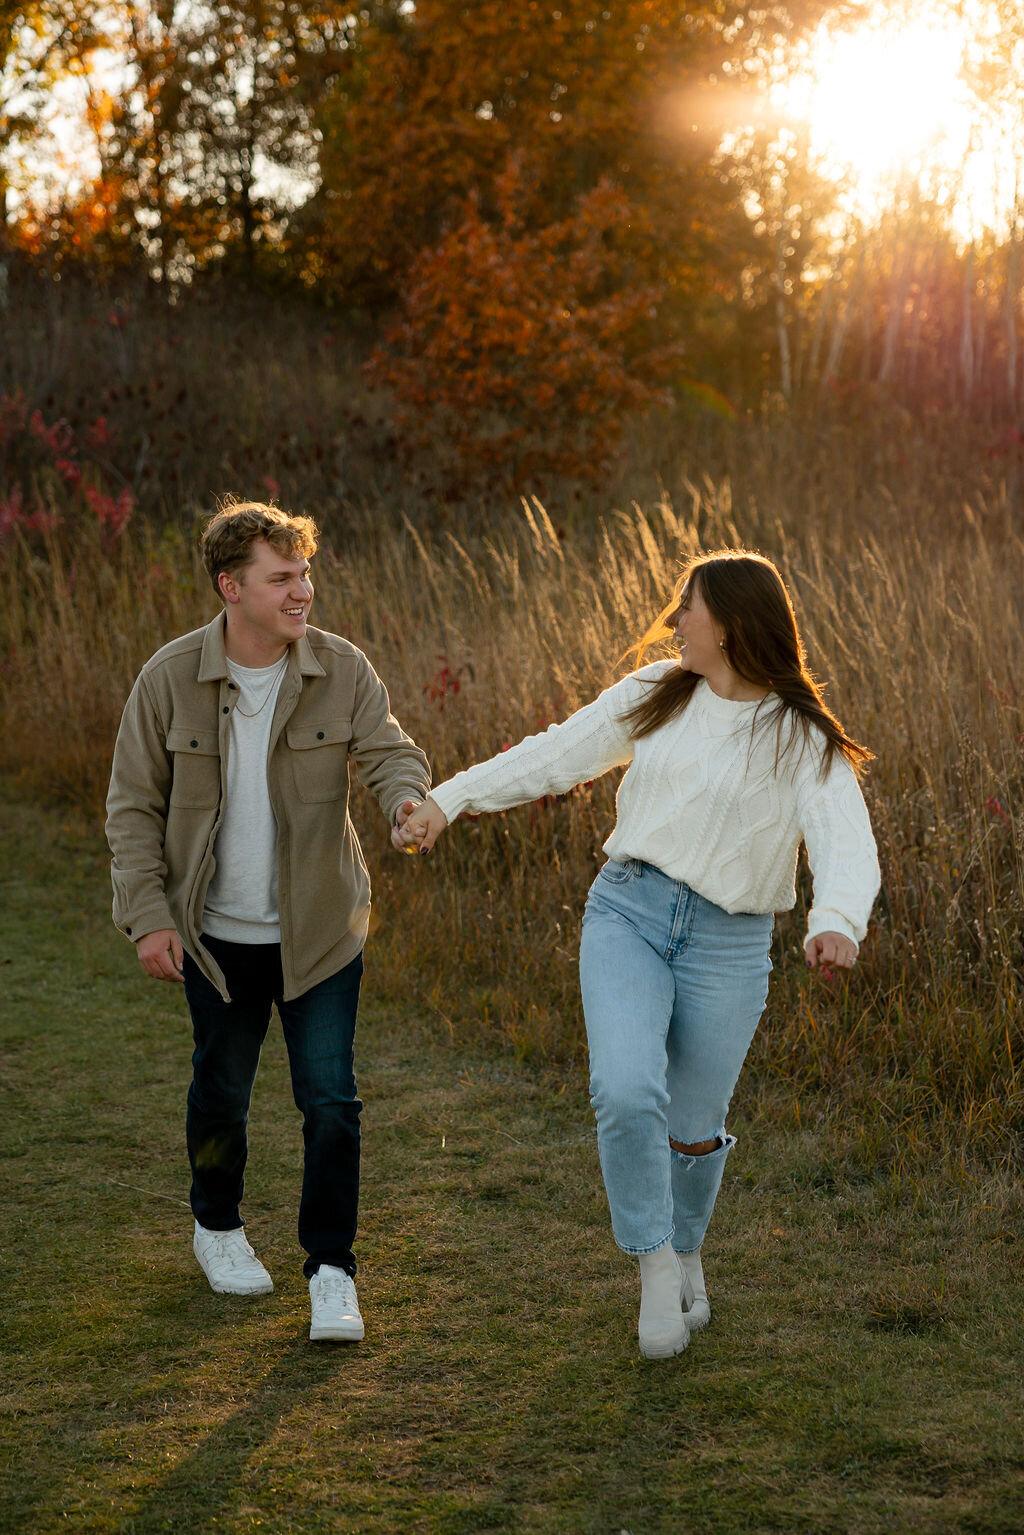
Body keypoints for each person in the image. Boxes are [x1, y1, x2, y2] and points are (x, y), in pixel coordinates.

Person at [397, 549, 880, 1360]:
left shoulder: (801, 737)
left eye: (688, 606)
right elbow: (557, 750)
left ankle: (687, 1246)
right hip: (629, 911)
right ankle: (655, 1262)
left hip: (729, 943)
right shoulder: (658, 692)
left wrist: (835, 919)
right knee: (625, 1090)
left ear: (730, 625)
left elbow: (845, 838)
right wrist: (451, 799)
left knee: (692, 1127)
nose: (674, 620)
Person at [105, 500, 430, 1343]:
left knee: (331, 1100)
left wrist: (406, 801)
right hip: (213, 939)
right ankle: (217, 1226)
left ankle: (332, 1269)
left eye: (305, 574)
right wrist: (148, 917)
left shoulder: (341, 668)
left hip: (321, 933)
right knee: (222, 1091)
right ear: (231, 586)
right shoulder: (168, 678)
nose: (302, 592)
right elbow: (132, 807)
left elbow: (389, 751)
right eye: (281, 577)